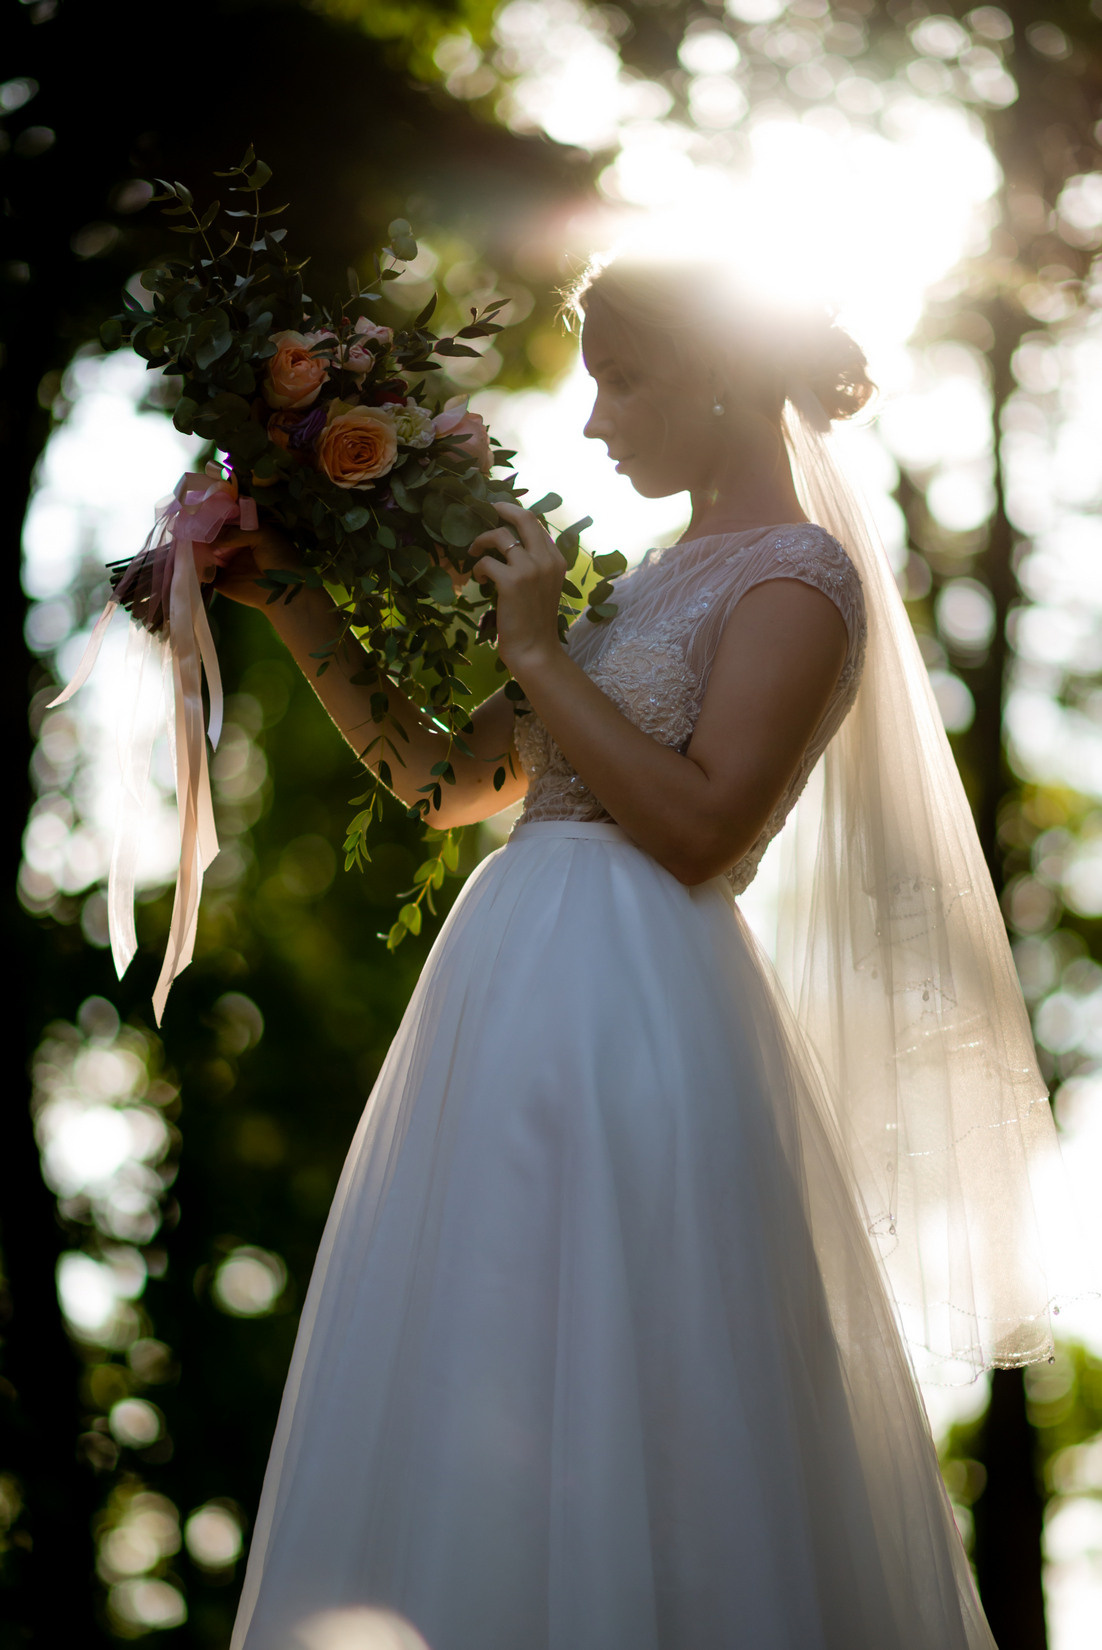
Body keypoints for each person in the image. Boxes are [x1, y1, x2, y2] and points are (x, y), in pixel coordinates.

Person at [210, 255, 1062, 1650]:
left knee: (627, 1360)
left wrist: (539, 652)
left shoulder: (799, 580)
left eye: (622, 379)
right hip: (504, 1007)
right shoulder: (631, 588)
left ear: (715, 380)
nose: (595, 419)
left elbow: (701, 828)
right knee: (478, 1353)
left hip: (635, 1012)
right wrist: (291, 597)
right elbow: (445, 781)